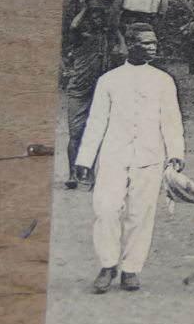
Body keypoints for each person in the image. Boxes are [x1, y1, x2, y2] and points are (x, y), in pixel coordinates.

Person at [72, 22, 185, 293]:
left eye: (154, 42)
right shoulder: (109, 81)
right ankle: (108, 264)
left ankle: (132, 268)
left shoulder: (163, 81)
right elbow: (96, 122)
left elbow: (171, 121)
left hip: (149, 156)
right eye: (146, 43)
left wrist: (175, 154)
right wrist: (84, 160)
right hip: (114, 155)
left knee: (140, 214)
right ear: (130, 45)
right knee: (106, 209)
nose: (153, 47)